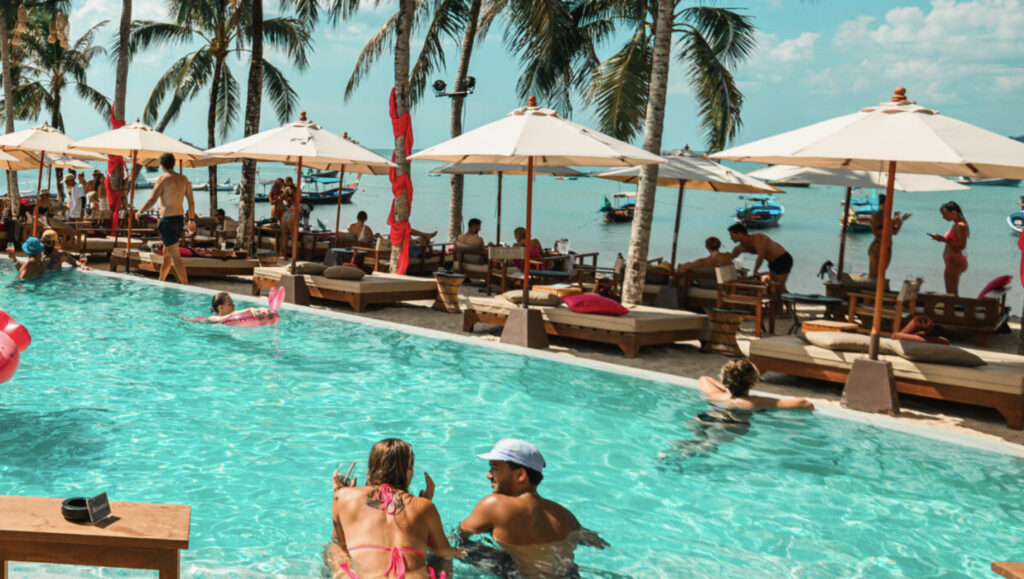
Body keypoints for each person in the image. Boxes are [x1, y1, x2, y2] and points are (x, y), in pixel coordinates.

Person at [458, 439, 607, 578]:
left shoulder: (494, 504)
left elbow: (459, 535)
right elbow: (597, 543)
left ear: (520, 474)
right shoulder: (565, 515)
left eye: (494, 468)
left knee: (464, 547)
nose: (488, 475)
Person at [327, 438, 465, 579]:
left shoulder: (343, 497)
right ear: (407, 470)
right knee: (442, 559)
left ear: (372, 466)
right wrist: (462, 550)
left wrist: (340, 494)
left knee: (333, 548)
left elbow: (340, 543)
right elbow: (442, 551)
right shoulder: (425, 506)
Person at [659, 360, 813, 465]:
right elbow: (805, 404)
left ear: (725, 379)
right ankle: (676, 458)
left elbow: (704, 379)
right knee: (708, 445)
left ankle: (671, 451)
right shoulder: (754, 402)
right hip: (728, 425)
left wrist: (727, 388)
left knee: (698, 441)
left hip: (702, 419)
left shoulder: (716, 395)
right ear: (753, 381)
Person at [135, 152, 196, 284]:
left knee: (175, 257)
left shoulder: (162, 179)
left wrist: (140, 211)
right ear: (173, 163)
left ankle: (187, 287)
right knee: (167, 256)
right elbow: (191, 201)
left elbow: (152, 200)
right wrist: (191, 220)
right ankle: (161, 282)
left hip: (167, 221)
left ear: (161, 165)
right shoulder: (183, 179)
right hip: (179, 220)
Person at [728, 223, 792, 294]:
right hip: (772, 262)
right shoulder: (740, 248)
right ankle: (780, 304)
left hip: (783, 258)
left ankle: (790, 303)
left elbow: (761, 255)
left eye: (732, 235)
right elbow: (730, 257)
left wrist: (755, 270)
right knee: (775, 288)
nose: (731, 238)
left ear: (739, 233)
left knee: (780, 287)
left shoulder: (758, 238)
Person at [928, 201, 969, 295]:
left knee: (951, 292)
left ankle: (957, 308)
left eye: (945, 215)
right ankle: (957, 307)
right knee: (951, 292)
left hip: (954, 260)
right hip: (952, 260)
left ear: (954, 212)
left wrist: (943, 240)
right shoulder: (956, 224)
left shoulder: (960, 226)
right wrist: (940, 238)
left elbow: (962, 245)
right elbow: (952, 242)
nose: (943, 218)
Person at [867, 194, 911, 279]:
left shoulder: (887, 217)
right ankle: (871, 290)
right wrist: (892, 222)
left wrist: (901, 221)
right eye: (887, 203)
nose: (890, 206)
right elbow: (877, 233)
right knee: (874, 274)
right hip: (878, 247)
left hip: (888, 248)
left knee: (882, 273)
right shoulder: (876, 216)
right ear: (881, 205)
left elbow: (894, 232)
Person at [204, 292, 272, 323]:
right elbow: (231, 315)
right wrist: (249, 309)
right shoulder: (212, 318)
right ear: (220, 308)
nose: (234, 306)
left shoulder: (233, 318)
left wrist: (261, 309)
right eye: (230, 304)